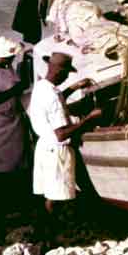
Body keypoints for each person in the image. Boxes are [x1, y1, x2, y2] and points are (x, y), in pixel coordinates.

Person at [27, 52, 101, 224]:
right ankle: (49, 234)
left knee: (50, 192)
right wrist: (89, 119)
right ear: (60, 72)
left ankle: (46, 230)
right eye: (67, 73)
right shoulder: (52, 96)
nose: (67, 76)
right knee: (55, 196)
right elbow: (61, 134)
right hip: (56, 150)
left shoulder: (41, 86)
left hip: (44, 146)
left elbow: (58, 99)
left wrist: (73, 88)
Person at [0, 36, 31, 214]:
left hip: (14, 117)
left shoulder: (7, 67)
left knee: (17, 157)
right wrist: (16, 90)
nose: (12, 59)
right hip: (0, 120)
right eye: (10, 57)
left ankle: (14, 195)